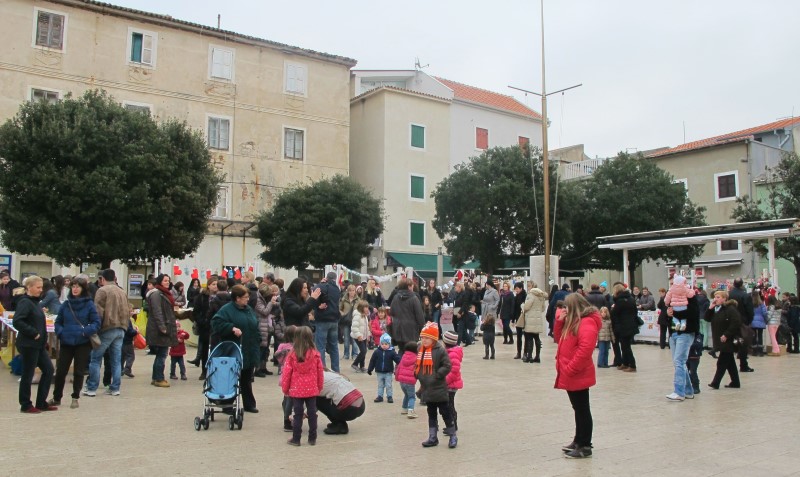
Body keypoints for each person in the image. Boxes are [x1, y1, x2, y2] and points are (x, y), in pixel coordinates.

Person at [553, 293, 601, 459]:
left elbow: (585, 349)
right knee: (578, 408)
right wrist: (559, 322)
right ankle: (578, 440)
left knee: (582, 409)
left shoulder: (586, 322)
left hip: (577, 372)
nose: (564, 309)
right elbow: (559, 339)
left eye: (566, 306)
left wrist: (571, 368)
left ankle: (585, 444)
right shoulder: (573, 321)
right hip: (570, 372)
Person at [49, 277, 100, 409]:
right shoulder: (66, 304)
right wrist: (61, 332)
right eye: (73, 286)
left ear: (83, 289)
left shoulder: (89, 304)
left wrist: (85, 331)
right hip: (66, 341)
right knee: (60, 371)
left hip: (82, 343)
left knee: (79, 371)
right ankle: (56, 397)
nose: (75, 289)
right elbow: (58, 322)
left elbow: (96, 323)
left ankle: (75, 397)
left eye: (78, 286)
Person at [212, 284, 261, 412]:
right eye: (245, 297)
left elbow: (255, 324)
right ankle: (227, 403)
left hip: (249, 347)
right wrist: (231, 328)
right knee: (232, 377)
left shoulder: (249, 309)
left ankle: (249, 403)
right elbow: (216, 323)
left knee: (246, 377)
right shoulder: (226, 310)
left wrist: (258, 339)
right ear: (237, 298)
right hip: (233, 349)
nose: (247, 299)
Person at [14, 276, 57, 413]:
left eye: (41, 287)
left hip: (38, 345)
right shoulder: (25, 302)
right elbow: (18, 321)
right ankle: (25, 404)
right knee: (28, 373)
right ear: (29, 288)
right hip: (28, 344)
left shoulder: (35, 303)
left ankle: (41, 402)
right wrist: (33, 333)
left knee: (49, 370)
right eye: (38, 287)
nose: (41, 290)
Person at [86, 269, 131, 396]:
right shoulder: (122, 291)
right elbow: (127, 309)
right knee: (116, 360)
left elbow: (98, 311)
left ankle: (92, 388)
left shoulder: (102, 290)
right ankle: (115, 387)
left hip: (107, 327)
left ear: (102, 279)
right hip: (121, 328)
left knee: (95, 359)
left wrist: (95, 327)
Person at [281, 326, 325, 446]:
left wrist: (285, 389)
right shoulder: (315, 355)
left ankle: (296, 438)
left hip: (296, 389)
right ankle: (312, 438)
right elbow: (320, 372)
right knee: (312, 413)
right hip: (311, 389)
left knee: (298, 413)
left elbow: (286, 373)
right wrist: (319, 387)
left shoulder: (292, 355)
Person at [416, 322, 456, 449]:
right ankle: (433, 437)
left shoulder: (440, 350)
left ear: (433, 338)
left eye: (426, 338)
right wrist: (416, 372)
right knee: (431, 413)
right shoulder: (420, 350)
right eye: (422, 338)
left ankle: (452, 435)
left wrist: (437, 375)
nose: (424, 340)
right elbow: (418, 364)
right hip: (427, 389)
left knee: (445, 412)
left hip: (439, 388)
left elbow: (447, 366)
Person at [145, 273, 179, 388]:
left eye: (168, 281)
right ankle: (159, 378)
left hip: (164, 326)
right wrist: (162, 327)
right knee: (162, 354)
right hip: (159, 328)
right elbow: (157, 311)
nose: (167, 282)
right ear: (160, 282)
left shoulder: (164, 294)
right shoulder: (156, 294)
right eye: (165, 281)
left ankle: (156, 377)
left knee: (161, 354)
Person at [704, 290, 742, 389]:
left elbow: (736, 322)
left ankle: (715, 383)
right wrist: (710, 308)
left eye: (718, 297)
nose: (715, 299)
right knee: (730, 363)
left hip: (728, 340)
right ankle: (735, 382)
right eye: (715, 297)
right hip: (720, 340)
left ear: (725, 299)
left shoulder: (730, 309)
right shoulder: (717, 309)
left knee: (721, 362)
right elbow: (707, 318)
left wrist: (726, 334)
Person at [665, 293, 699, 402]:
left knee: (679, 361)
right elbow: (666, 315)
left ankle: (679, 392)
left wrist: (675, 313)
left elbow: (692, 313)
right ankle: (688, 391)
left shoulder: (691, 299)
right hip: (673, 332)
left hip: (685, 333)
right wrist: (668, 314)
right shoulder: (671, 298)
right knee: (678, 363)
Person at [318, 371, 366, 435]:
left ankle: (338, 424)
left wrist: (304, 413)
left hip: (348, 409)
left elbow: (309, 400)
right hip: (361, 405)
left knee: (316, 399)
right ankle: (340, 425)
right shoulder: (329, 372)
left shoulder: (314, 378)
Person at [387, 278, 424, 351]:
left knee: (401, 350)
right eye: (412, 285)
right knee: (411, 351)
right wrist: (422, 329)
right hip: (411, 330)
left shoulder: (396, 297)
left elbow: (392, 312)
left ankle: (401, 362)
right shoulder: (414, 298)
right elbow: (419, 316)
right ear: (409, 286)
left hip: (398, 329)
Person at [190, 278, 217, 380]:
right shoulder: (201, 297)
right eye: (213, 284)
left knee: (215, 350)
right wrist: (202, 321)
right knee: (205, 350)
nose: (215, 286)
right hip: (205, 327)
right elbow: (195, 312)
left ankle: (214, 370)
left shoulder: (221, 297)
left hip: (216, 327)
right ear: (209, 285)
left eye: (216, 284)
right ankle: (204, 371)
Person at [610, 284, 638, 372]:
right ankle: (625, 363)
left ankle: (632, 364)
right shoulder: (631, 299)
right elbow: (635, 311)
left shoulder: (620, 301)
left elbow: (614, 313)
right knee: (625, 345)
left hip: (623, 326)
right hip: (631, 325)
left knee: (626, 347)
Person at [729, 278, 754, 372]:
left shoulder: (729, 294)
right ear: (742, 284)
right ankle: (743, 364)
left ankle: (730, 364)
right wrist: (748, 321)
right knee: (743, 342)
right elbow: (750, 310)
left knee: (730, 341)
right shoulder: (745, 295)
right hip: (742, 321)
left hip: (730, 320)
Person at [367, 333, 401, 403]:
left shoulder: (392, 352)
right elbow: (372, 361)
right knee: (380, 385)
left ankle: (389, 396)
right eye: (382, 344)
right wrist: (370, 369)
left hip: (388, 372)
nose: (384, 346)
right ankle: (380, 396)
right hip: (379, 372)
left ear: (389, 344)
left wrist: (401, 365)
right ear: (380, 344)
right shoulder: (377, 352)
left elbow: (398, 360)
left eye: (386, 344)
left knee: (388, 385)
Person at [254, 283, 279, 376]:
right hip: (261, 325)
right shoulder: (258, 300)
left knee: (265, 348)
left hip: (266, 326)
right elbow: (265, 311)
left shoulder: (262, 298)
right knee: (261, 348)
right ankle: (257, 369)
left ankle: (263, 367)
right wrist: (271, 303)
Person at [442, 330, 463, 433]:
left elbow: (454, 371)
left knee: (449, 405)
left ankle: (453, 425)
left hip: (451, 384)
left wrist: (445, 381)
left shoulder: (452, 354)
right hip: (450, 383)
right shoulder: (449, 352)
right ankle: (451, 424)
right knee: (448, 404)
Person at [521, 283, 547, 363]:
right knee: (537, 338)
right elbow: (543, 308)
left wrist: (522, 306)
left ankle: (530, 357)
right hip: (538, 318)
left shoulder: (531, 295)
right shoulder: (541, 295)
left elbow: (526, 307)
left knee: (529, 338)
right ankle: (538, 356)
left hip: (530, 319)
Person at [396, 341, 420, 419]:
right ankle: (410, 410)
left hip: (402, 381)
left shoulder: (403, 356)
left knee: (406, 394)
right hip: (410, 381)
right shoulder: (416, 358)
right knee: (412, 397)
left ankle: (404, 408)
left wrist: (397, 377)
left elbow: (399, 367)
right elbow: (418, 369)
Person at [339, 284, 358, 360]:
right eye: (350, 290)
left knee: (354, 339)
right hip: (346, 321)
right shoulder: (344, 299)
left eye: (353, 290)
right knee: (346, 338)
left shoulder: (358, 300)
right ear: (348, 291)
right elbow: (339, 308)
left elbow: (361, 309)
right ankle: (346, 354)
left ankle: (355, 354)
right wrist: (342, 313)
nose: (352, 292)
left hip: (355, 321)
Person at [350, 301, 370, 373]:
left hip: (364, 336)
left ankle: (362, 366)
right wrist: (358, 335)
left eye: (367, 307)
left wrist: (368, 335)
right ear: (361, 308)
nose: (367, 309)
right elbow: (354, 327)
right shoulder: (357, 316)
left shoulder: (364, 316)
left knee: (364, 351)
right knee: (363, 351)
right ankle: (355, 364)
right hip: (358, 336)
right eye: (365, 307)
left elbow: (366, 326)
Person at [750, 291, 767, 357]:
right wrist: (765, 320)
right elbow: (765, 313)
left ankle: (754, 351)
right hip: (761, 321)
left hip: (752, 321)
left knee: (754, 336)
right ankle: (760, 351)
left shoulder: (751, 304)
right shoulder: (761, 304)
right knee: (760, 336)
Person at [512, 282, 527, 357]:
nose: (516, 290)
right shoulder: (516, 296)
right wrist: (513, 319)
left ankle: (525, 353)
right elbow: (514, 308)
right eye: (515, 289)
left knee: (526, 336)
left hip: (524, 318)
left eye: (517, 289)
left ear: (521, 288)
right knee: (519, 336)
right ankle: (519, 352)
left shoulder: (525, 296)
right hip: (518, 318)